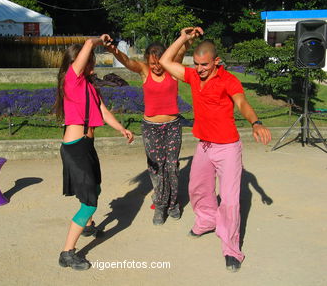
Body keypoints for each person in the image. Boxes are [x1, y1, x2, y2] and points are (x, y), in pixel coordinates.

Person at [159, 27, 271, 272]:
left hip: (228, 148)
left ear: (216, 61)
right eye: (197, 64)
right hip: (205, 146)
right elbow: (164, 61)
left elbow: (242, 102)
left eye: (204, 65)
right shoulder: (192, 76)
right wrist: (183, 38)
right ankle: (207, 221)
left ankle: (232, 250)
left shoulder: (228, 80)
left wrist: (256, 122)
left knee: (230, 201)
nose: (199, 69)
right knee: (197, 189)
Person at [54, 35, 134, 271]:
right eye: (90, 60)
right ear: (79, 62)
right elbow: (88, 44)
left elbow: (101, 109)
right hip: (75, 148)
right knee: (89, 202)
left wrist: (121, 128)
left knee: (95, 187)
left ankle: (87, 226)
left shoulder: (89, 84)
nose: (93, 63)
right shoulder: (72, 79)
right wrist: (99, 40)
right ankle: (67, 253)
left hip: (86, 146)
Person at [107, 37, 197, 225]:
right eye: (152, 63)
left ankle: (173, 204)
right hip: (151, 129)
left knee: (171, 167)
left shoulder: (172, 70)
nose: (156, 67)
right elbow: (128, 62)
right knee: (156, 168)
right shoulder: (144, 71)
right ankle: (160, 206)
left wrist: (189, 38)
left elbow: (181, 51)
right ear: (148, 61)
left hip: (172, 126)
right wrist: (114, 51)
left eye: (159, 62)